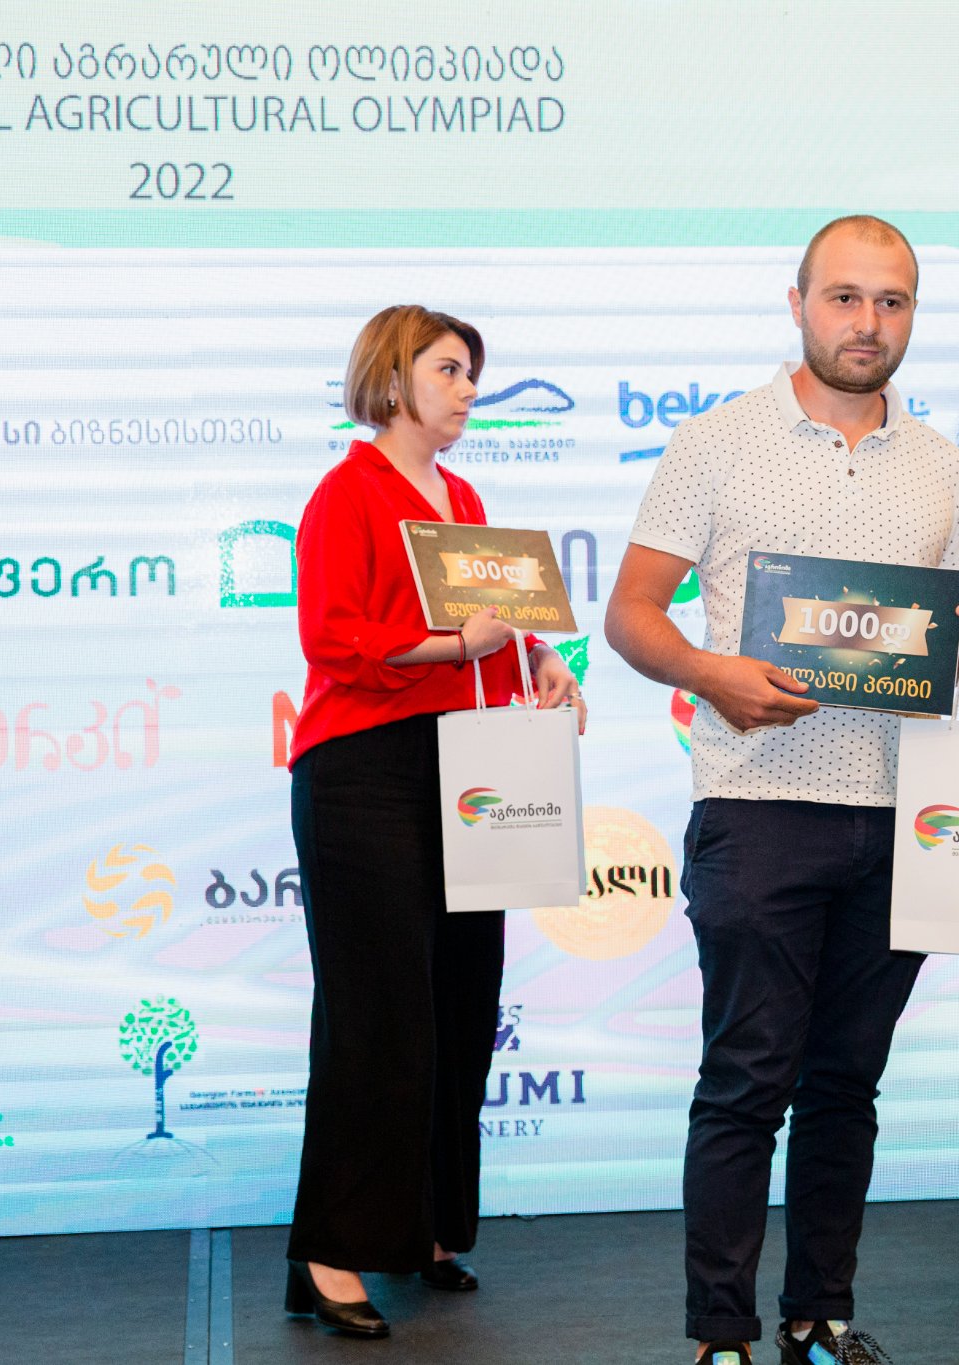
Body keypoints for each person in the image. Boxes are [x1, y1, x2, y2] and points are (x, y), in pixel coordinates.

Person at [605, 216, 959, 1365]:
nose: (865, 323)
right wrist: (710, 672)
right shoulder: (718, 441)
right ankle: (718, 1334)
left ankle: (818, 1315)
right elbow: (629, 614)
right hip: (757, 809)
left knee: (845, 1086)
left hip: (902, 813)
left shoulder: (941, 466)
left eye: (890, 301)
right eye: (843, 297)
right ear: (796, 305)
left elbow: (946, 634)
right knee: (744, 1083)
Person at [283, 304, 586, 1340]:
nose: (467, 390)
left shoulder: (464, 499)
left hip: (463, 764)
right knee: (379, 1016)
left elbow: (502, 632)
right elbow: (333, 639)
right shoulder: (345, 492)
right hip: (361, 771)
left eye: (471, 373)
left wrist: (540, 661)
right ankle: (330, 1251)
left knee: (461, 1002)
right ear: (392, 376)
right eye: (449, 370)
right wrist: (458, 646)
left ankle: (423, 1227)